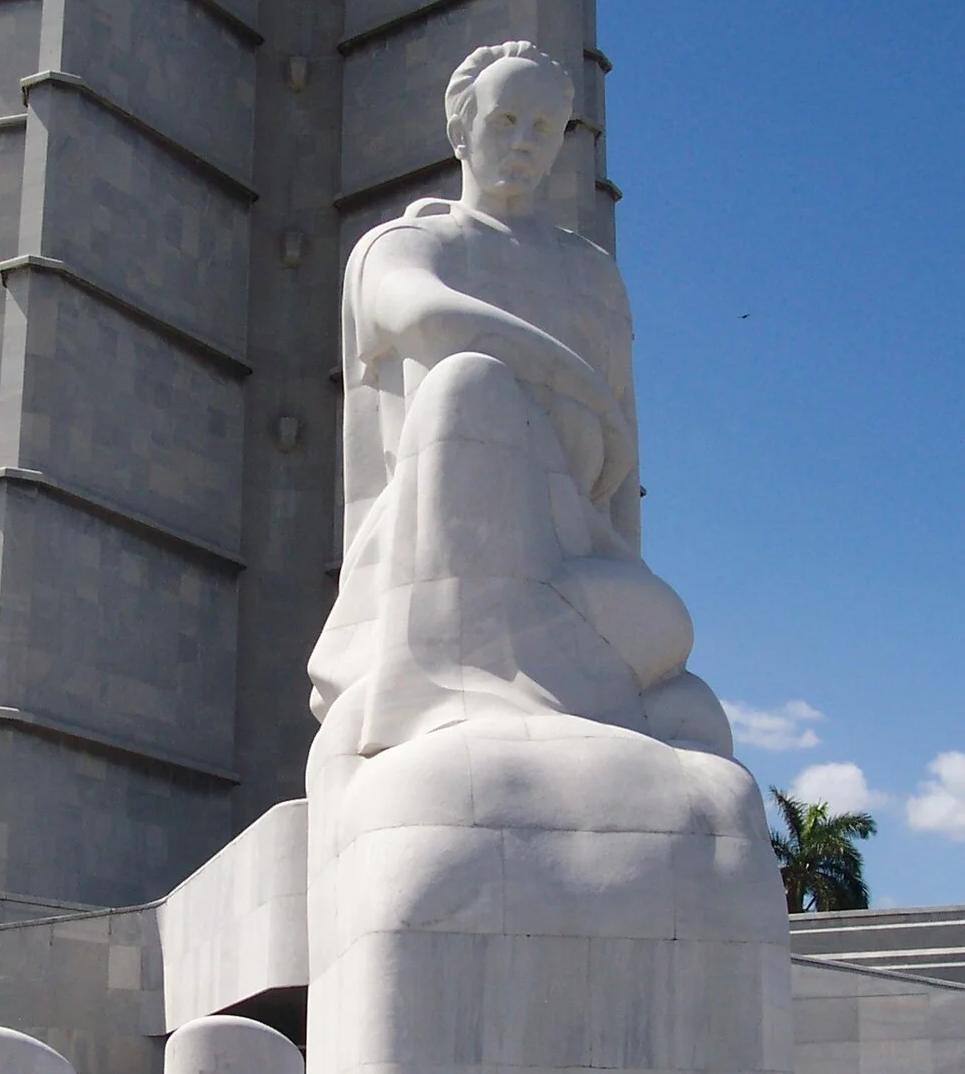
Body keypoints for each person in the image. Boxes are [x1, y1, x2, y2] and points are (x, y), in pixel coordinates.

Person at [308, 40, 731, 760]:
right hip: (437, 557)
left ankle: (549, 684)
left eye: (544, 128)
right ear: (461, 128)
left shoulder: (593, 276)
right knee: (468, 383)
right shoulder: (408, 243)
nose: (524, 143)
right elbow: (425, 317)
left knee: (680, 670)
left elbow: (618, 494)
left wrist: (620, 554)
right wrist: (582, 387)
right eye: (505, 120)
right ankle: (455, 685)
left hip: (571, 557)